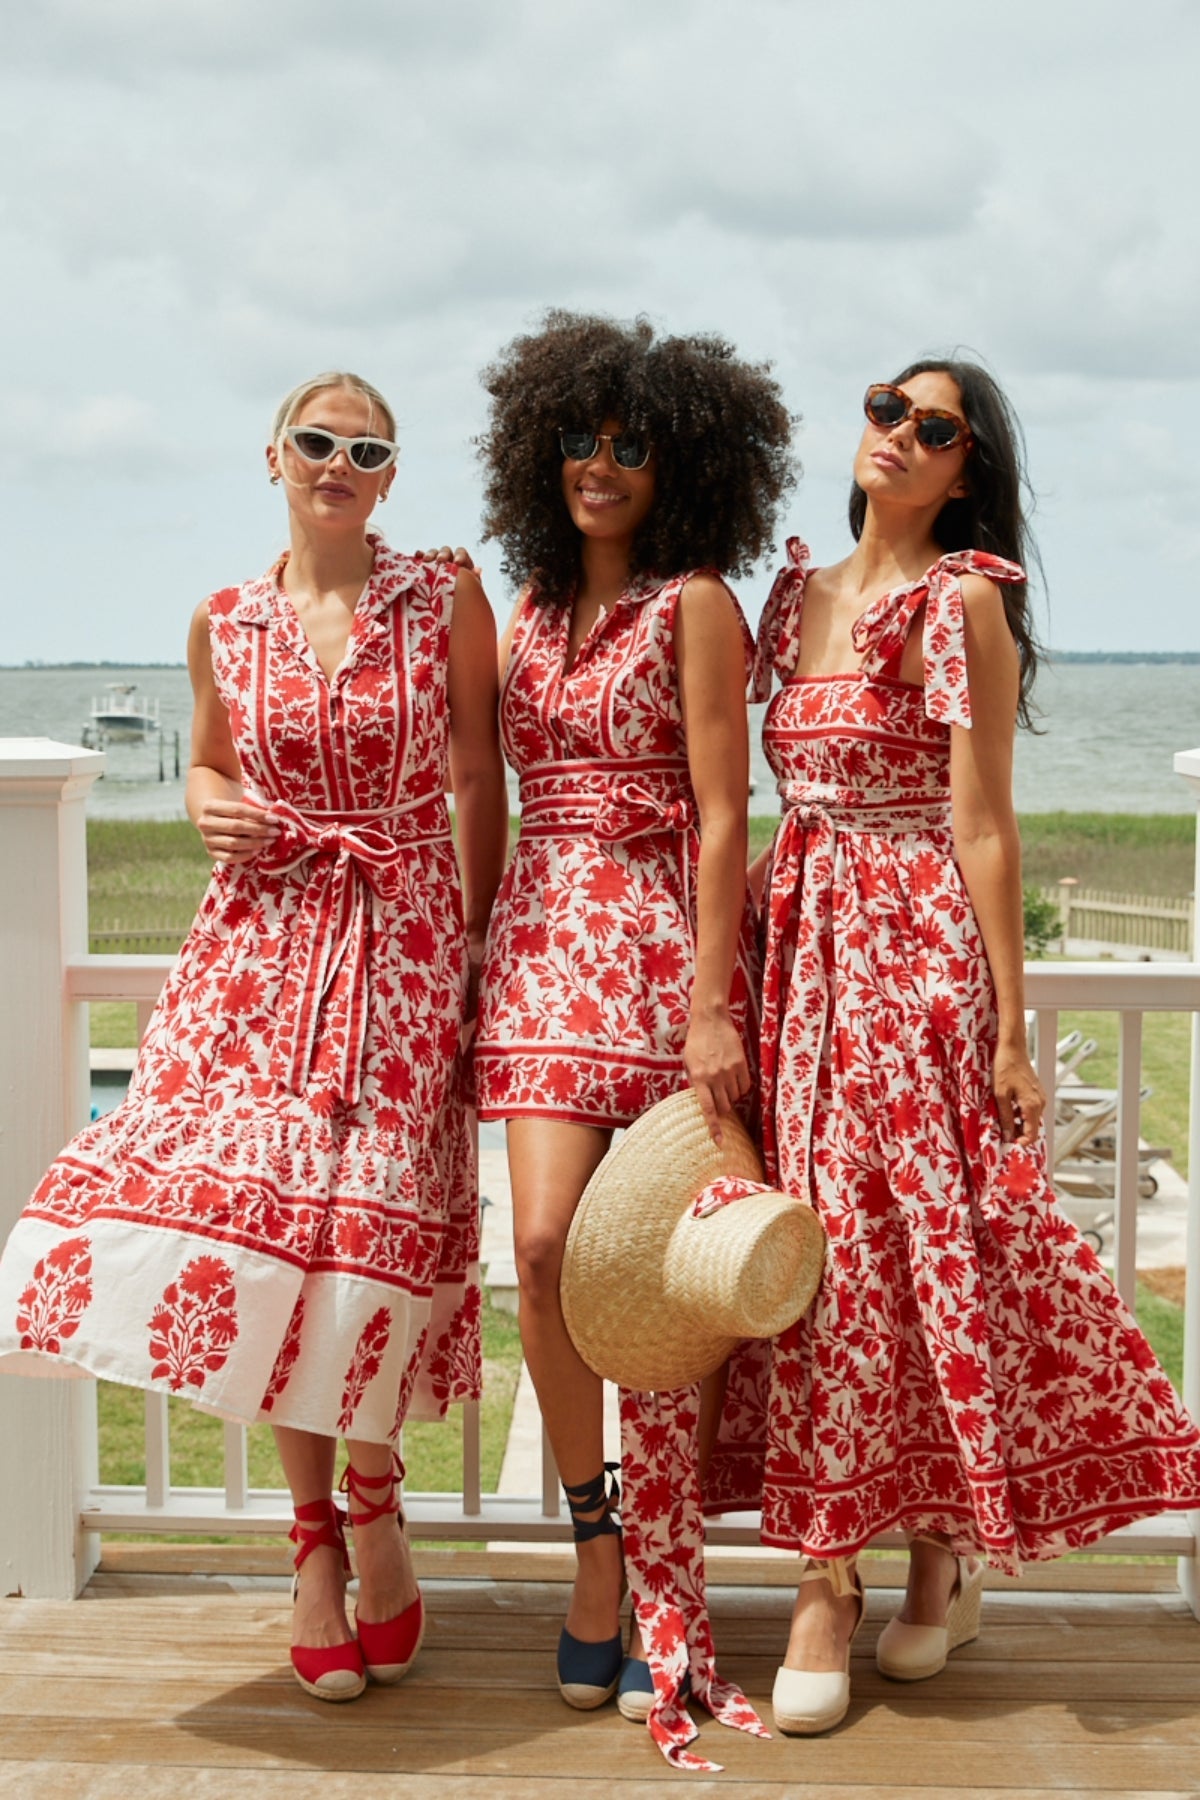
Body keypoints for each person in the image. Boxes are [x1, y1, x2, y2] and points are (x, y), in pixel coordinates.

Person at [0, 371, 508, 1703]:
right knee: (272, 1241)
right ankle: (315, 1545)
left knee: (369, 1240)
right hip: (259, 951)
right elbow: (212, 764)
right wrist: (206, 805)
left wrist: (470, 946)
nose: (339, 462)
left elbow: (472, 772)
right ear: (273, 456)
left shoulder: (443, 593)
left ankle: (379, 1492)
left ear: (392, 476)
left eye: (368, 448)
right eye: (316, 442)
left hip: (397, 948)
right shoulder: (222, 619)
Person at [733, 358, 1200, 1735]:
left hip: (910, 951)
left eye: (934, 429)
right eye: (887, 406)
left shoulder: (964, 600)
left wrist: (1008, 1017)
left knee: (915, 1246)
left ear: (964, 471)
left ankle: (910, 1556)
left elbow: (984, 821)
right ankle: (847, 1567)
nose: (899, 436)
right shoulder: (792, 593)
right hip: (799, 950)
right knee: (818, 1250)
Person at [470, 310, 793, 1729]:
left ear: (682, 472)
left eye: (631, 449)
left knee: (660, 1285)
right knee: (545, 1253)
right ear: (544, 450)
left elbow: (730, 817)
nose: (599, 467)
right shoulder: (527, 602)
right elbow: (487, 794)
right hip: (539, 947)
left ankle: (672, 1578)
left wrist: (715, 1004)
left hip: (662, 961)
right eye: (581, 441)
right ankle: (596, 1538)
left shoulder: (698, 603)